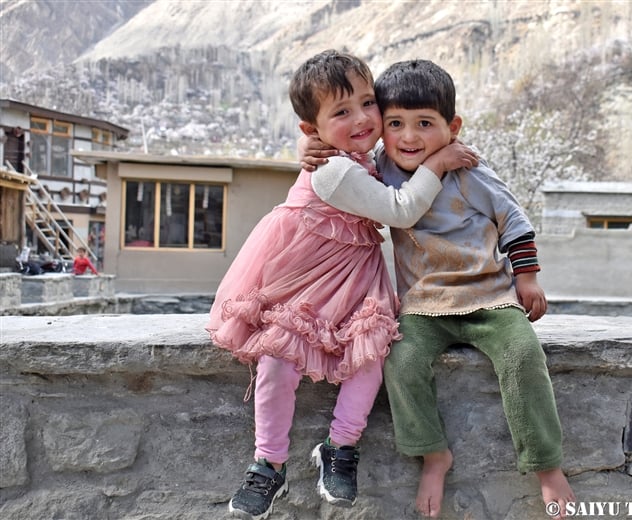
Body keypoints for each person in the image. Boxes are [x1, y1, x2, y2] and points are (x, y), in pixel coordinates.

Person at [206, 50, 477, 520]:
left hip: (352, 283)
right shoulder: (333, 169)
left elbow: (383, 161)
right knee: (278, 362)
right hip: (305, 283)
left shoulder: (353, 155)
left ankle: (339, 446)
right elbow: (398, 210)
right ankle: (268, 462)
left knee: (368, 359)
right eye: (342, 112)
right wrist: (439, 163)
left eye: (367, 103)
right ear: (311, 130)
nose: (362, 119)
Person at [300, 59, 575, 518]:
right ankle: (433, 454)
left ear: (453, 126)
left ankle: (546, 465)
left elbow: (515, 222)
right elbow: (340, 157)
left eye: (425, 124)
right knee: (401, 361)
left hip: (490, 299)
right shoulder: (381, 170)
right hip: (424, 306)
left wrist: (526, 278)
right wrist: (310, 147)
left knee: (523, 356)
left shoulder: (468, 170)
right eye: (396, 124)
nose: (410, 137)